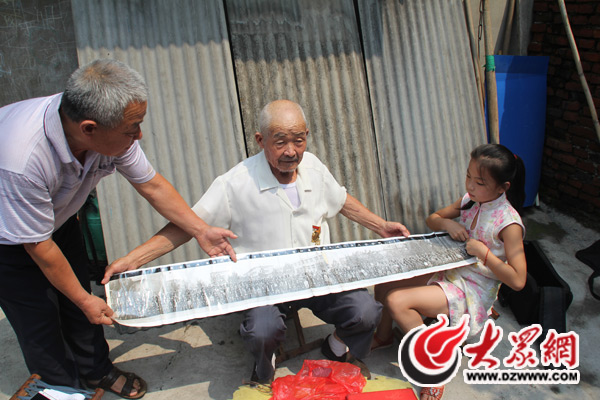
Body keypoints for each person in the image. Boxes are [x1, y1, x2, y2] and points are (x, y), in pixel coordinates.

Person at [103, 99, 411, 385]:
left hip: (317, 276)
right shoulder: (235, 183)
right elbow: (187, 225)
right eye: (280, 141)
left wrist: (381, 226)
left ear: (306, 137)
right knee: (262, 331)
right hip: (263, 286)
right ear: (260, 140)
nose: (291, 151)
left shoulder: (314, 167)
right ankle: (266, 364)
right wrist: (134, 259)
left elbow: (341, 200)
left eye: (298, 140)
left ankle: (336, 346)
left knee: (366, 311)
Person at [0, 59, 237, 399]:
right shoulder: (21, 159)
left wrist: (200, 230)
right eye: (132, 129)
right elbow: (39, 246)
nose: (139, 135)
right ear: (89, 128)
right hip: (8, 238)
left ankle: (97, 370)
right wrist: (84, 300)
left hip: (56, 222)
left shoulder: (108, 131)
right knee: (39, 318)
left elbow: (152, 186)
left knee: (80, 306)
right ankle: (62, 389)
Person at [372, 143, 527, 400]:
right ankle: (384, 336)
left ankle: (436, 368)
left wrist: (484, 253)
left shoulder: (508, 223)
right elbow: (432, 218)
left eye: (480, 182)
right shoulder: (470, 201)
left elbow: (518, 280)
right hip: (450, 268)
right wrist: (447, 224)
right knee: (387, 282)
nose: (470, 186)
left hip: (473, 288)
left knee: (396, 300)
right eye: (468, 176)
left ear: (503, 188)